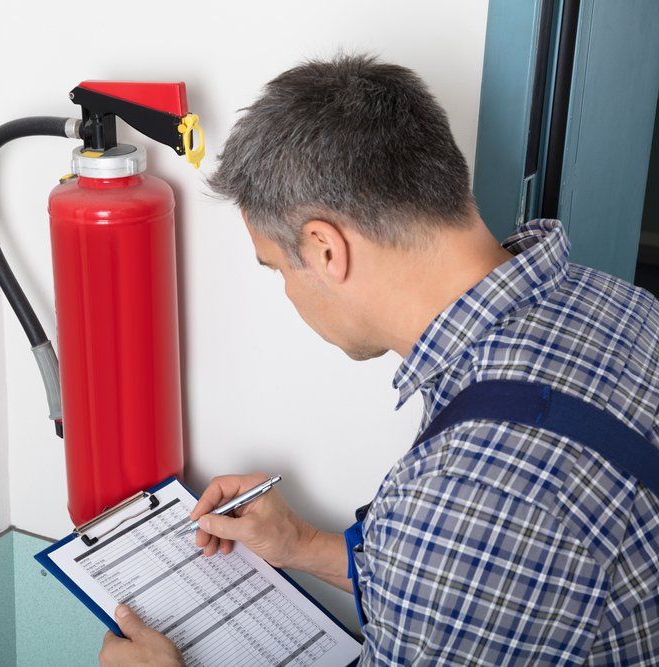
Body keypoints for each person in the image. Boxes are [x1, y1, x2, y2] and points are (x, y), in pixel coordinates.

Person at [97, 54, 659, 666]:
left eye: (278, 268)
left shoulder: (465, 502)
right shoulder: (623, 306)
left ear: (324, 248)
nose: (287, 289)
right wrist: (303, 544)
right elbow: (479, 596)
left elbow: (462, 562)